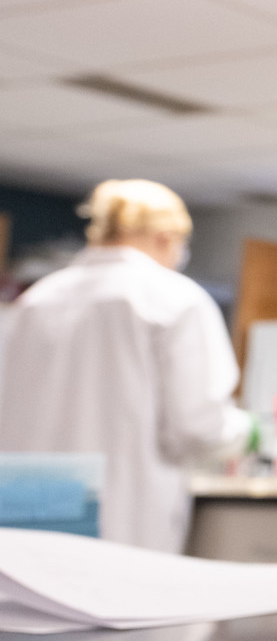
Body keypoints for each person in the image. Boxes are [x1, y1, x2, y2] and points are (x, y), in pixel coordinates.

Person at [0, 179, 253, 552]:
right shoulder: (175, 299)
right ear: (166, 237)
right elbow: (197, 428)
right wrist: (247, 431)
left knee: (30, 603)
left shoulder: (34, 301)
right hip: (121, 511)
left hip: (29, 504)